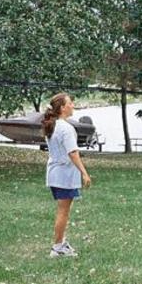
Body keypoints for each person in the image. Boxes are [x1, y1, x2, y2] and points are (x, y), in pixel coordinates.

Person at [41, 92, 91, 258]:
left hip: (54, 173)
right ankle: (58, 247)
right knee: (63, 211)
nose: (73, 105)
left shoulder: (54, 126)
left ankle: (61, 242)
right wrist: (84, 173)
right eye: (70, 103)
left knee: (62, 210)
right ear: (62, 108)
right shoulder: (66, 128)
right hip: (63, 175)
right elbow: (73, 153)